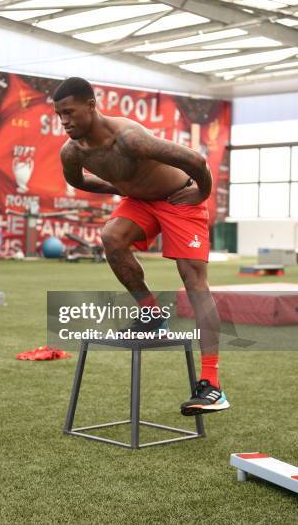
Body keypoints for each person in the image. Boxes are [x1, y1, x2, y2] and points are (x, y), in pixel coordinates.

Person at [54, 77, 229, 417]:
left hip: (181, 198)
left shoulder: (130, 138)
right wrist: (120, 187)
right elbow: (76, 181)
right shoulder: (72, 152)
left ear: (91, 105)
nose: (65, 122)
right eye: (59, 115)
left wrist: (202, 193)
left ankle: (212, 384)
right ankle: (151, 314)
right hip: (140, 200)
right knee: (112, 238)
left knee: (193, 279)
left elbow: (195, 160)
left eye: (70, 112)